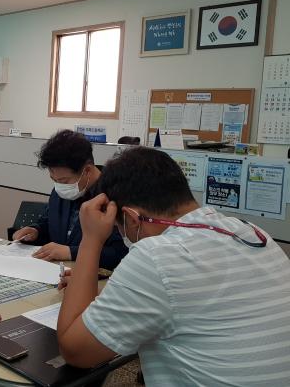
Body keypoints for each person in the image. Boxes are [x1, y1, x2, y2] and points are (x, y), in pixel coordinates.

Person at [57, 147, 290, 386]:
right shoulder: (253, 233)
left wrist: (91, 239)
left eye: (119, 227)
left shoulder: (156, 256)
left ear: (131, 219)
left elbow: (76, 351)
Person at [12, 130, 127, 267]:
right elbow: (49, 223)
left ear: (87, 171)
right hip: (56, 270)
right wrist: (36, 231)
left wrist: (71, 252)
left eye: (64, 181)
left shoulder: (115, 197)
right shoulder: (61, 191)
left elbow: (121, 253)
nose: (59, 186)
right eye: (54, 180)